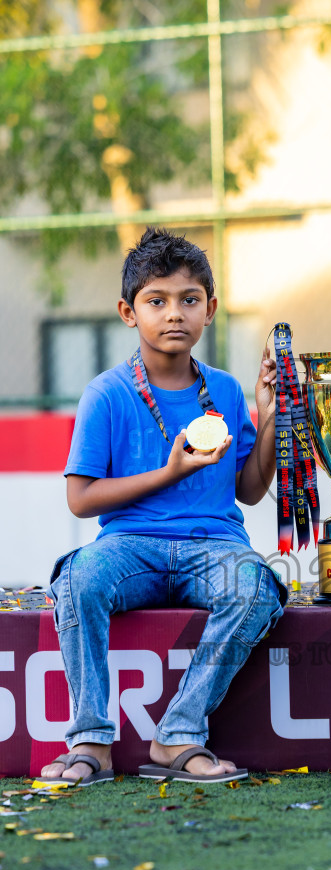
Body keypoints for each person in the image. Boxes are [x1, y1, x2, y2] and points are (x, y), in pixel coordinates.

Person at [39, 227, 285, 786]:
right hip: (130, 547)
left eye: (189, 299)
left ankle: (177, 733)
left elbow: (249, 489)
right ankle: (91, 739)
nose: (174, 313)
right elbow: (80, 499)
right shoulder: (107, 393)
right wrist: (170, 473)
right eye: (157, 301)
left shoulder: (225, 390)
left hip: (215, 547)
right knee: (78, 579)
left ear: (210, 310)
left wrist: (269, 419)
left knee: (256, 588)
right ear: (129, 312)